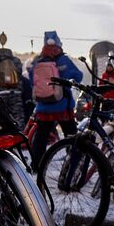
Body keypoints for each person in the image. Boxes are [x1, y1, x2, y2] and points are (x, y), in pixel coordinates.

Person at [27, 31, 83, 168]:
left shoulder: (37, 61)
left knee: (40, 137)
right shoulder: (63, 60)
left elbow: (31, 81)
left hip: (43, 106)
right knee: (71, 136)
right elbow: (78, 76)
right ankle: (74, 164)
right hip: (62, 105)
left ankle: (36, 164)